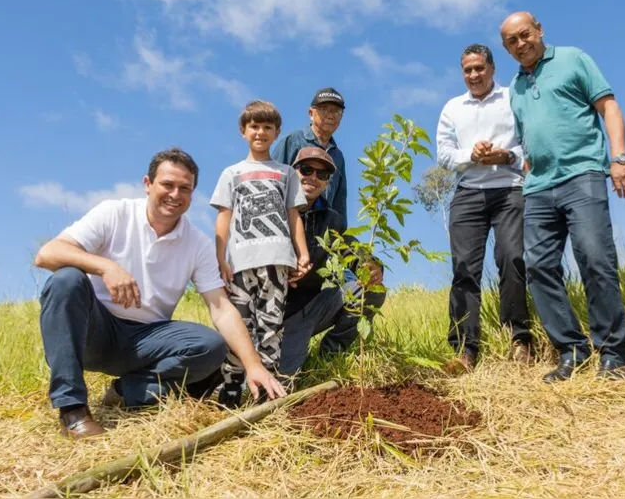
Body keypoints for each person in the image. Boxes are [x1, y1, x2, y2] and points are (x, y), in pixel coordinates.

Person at [35, 147, 286, 439]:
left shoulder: (198, 244)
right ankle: (72, 410)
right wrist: (105, 267)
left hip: (146, 341)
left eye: (185, 188)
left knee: (211, 346)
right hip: (94, 332)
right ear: (147, 184)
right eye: (167, 185)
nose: (175, 194)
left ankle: (125, 391)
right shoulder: (114, 213)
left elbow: (221, 308)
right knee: (66, 280)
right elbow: (47, 254)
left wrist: (253, 364)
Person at [500, 11, 625, 382]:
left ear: (539, 30)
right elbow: (529, 136)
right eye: (511, 41)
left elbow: (608, 106)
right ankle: (571, 350)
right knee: (538, 266)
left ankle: (613, 352)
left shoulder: (573, 58)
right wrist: (530, 170)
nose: (520, 44)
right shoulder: (515, 87)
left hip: (583, 176)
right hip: (539, 188)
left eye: (524, 34)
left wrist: (619, 157)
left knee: (595, 258)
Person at [436, 43, 533, 375]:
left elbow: (529, 141)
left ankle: (519, 340)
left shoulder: (512, 98)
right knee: (464, 269)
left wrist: (507, 156)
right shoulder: (452, 108)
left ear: (492, 68)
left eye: (479, 68)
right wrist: (471, 155)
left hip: (509, 189)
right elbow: (445, 155)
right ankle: (465, 351)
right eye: (468, 70)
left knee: (512, 258)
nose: (474, 75)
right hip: (468, 192)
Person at [210, 100, 311, 408]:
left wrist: (302, 253)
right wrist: (220, 257)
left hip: (277, 262)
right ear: (243, 131)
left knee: (271, 328)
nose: (261, 132)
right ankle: (231, 388)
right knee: (239, 327)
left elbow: (293, 215)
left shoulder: (286, 173)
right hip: (241, 263)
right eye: (254, 126)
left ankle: (266, 393)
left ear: (277, 132)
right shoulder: (232, 173)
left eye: (268, 127)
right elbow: (224, 217)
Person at [277, 146, 386, 379]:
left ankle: (328, 355)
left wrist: (372, 265)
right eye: (306, 170)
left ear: (327, 183)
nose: (313, 178)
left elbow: (352, 249)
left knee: (370, 290)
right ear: (293, 172)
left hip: (310, 309)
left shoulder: (331, 219)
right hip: (269, 316)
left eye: (322, 175)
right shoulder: (272, 208)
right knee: (279, 384)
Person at [272, 87, 349, 220]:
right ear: (311, 113)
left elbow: (339, 203)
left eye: (336, 111)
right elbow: (272, 183)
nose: (331, 115)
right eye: (324, 109)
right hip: (289, 223)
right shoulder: (293, 141)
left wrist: (339, 235)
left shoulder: (338, 156)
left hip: (320, 232)